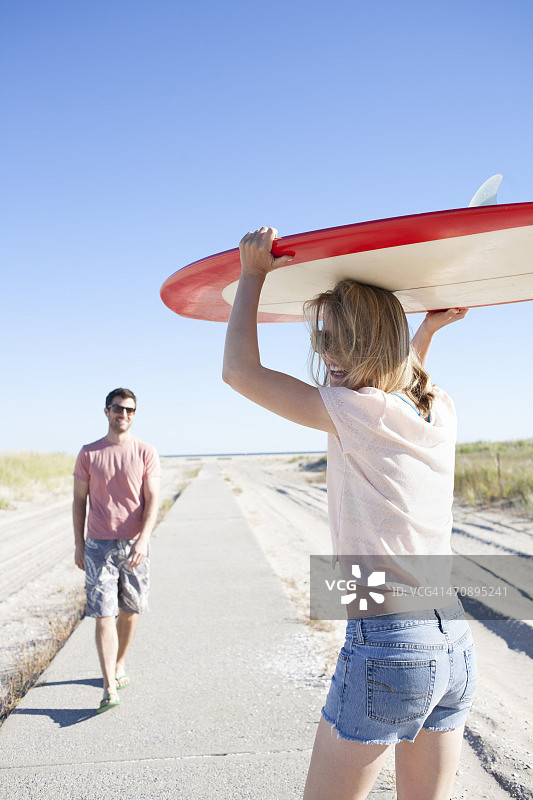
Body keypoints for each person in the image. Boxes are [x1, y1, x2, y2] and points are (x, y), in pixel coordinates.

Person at [223, 227, 474, 800]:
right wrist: (427, 330)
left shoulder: (355, 411)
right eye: (323, 340)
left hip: (389, 639)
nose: (328, 355)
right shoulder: (438, 409)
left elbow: (238, 372)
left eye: (344, 341)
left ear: (375, 342)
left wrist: (252, 275)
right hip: (452, 640)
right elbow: (404, 377)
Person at [73, 388, 160, 713]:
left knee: (130, 610)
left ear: (134, 414)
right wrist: (79, 544)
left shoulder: (145, 451)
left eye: (129, 410)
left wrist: (143, 540)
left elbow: (152, 500)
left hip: (134, 545)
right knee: (103, 614)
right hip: (98, 545)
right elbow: (78, 501)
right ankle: (109, 686)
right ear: (107, 411)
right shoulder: (89, 453)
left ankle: (120, 662)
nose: (123, 414)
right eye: (118, 408)